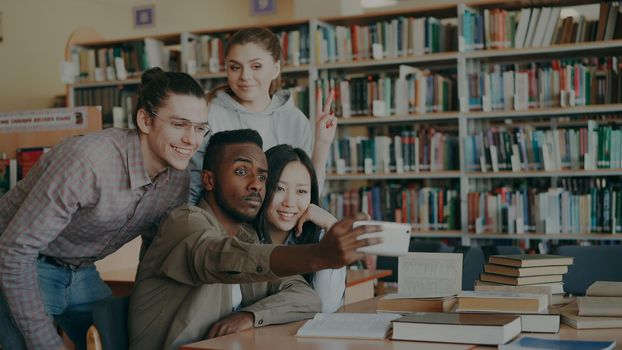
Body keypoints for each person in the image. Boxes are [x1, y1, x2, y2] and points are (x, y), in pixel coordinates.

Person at [0, 67, 209, 350]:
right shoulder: (88, 162)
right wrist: (47, 343)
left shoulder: (177, 178)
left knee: (127, 339)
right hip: (18, 263)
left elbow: (154, 248)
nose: (191, 140)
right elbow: (14, 251)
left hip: (81, 270)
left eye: (199, 128)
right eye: (179, 124)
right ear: (145, 120)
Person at [128, 129, 380, 350]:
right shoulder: (184, 222)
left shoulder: (246, 236)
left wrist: (251, 315)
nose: (255, 185)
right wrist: (318, 255)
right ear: (209, 180)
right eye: (241, 171)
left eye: (262, 177)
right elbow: (219, 257)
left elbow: (306, 297)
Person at [188, 27, 337, 204]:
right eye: (235, 67)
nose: (245, 76)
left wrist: (322, 144)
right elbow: (194, 184)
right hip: (223, 226)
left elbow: (305, 193)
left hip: (278, 225)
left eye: (256, 66)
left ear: (276, 69)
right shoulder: (209, 114)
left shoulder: (296, 120)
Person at [254, 144, 345, 312]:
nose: (289, 202)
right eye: (279, 188)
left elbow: (327, 306)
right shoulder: (243, 237)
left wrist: (332, 226)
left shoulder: (318, 238)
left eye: (301, 191)